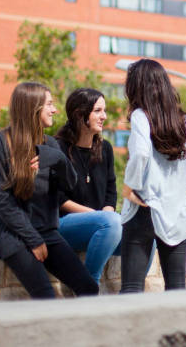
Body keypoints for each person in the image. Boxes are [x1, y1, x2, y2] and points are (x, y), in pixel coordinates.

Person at [0, 82, 99, 298]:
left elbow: (71, 186)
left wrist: (59, 160)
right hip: (13, 235)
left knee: (89, 287)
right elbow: (2, 202)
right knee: (46, 297)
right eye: (49, 104)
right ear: (32, 108)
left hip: (46, 232)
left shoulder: (51, 145)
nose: (54, 110)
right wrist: (33, 240)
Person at [119, 59, 186, 293]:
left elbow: (139, 154)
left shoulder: (140, 116)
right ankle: (176, 331)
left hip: (143, 209)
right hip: (176, 213)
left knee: (131, 289)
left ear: (136, 87)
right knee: (176, 288)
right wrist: (175, 191)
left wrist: (129, 187)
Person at [55, 88, 122, 284]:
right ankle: (87, 286)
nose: (104, 116)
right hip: (65, 224)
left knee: (144, 234)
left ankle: (132, 291)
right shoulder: (57, 148)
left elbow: (111, 193)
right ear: (80, 114)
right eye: (98, 111)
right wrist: (98, 216)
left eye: (104, 110)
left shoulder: (106, 149)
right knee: (110, 221)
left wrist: (105, 215)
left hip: (103, 226)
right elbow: (58, 199)